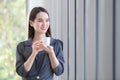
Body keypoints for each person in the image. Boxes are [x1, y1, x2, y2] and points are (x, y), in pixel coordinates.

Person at [16, 6, 64, 80]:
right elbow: (21, 72)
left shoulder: (56, 44)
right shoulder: (22, 47)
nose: (44, 24)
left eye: (47, 20)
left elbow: (59, 71)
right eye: (40, 20)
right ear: (31, 23)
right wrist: (33, 54)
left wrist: (51, 53)